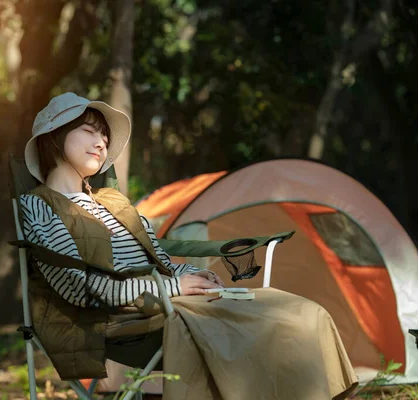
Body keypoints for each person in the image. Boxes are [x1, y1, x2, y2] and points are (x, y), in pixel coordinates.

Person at [20, 92, 358, 400]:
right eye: (90, 132)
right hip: (120, 320)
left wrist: (194, 275)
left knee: (300, 313)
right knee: (262, 327)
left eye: (104, 136)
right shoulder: (40, 206)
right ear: (54, 138)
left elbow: (162, 262)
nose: (101, 143)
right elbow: (82, 288)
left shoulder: (114, 203)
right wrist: (172, 286)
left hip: (168, 300)